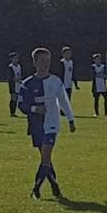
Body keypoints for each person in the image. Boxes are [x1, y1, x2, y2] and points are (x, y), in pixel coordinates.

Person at [20, 47, 77, 199]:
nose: (46, 64)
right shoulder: (28, 84)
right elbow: (22, 105)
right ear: (35, 63)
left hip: (52, 124)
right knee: (46, 160)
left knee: (45, 157)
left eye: (48, 61)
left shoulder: (56, 81)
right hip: (35, 125)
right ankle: (54, 185)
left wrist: (71, 119)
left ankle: (36, 189)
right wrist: (34, 108)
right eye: (42, 61)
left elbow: (64, 101)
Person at [91, 52, 107, 117]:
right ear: (94, 60)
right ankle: (96, 113)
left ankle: (106, 112)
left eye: (99, 59)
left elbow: (105, 75)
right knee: (96, 99)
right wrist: (100, 75)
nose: (98, 60)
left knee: (106, 98)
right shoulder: (93, 67)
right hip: (96, 86)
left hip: (103, 85)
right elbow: (93, 75)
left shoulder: (103, 66)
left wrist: (99, 75)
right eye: (97, 59)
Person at [5, 51, 24, 117]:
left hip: (18, 84)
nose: (16, 59)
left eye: (17, 58)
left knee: (18, 98)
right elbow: (10, 77)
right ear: (11, 59)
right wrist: (17, 80)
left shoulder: (19, 66)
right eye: (15, 58)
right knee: (13, 98)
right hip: (13, 85)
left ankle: (15, 112)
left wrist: (20, 78)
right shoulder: (10, 67)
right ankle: (12, 113)